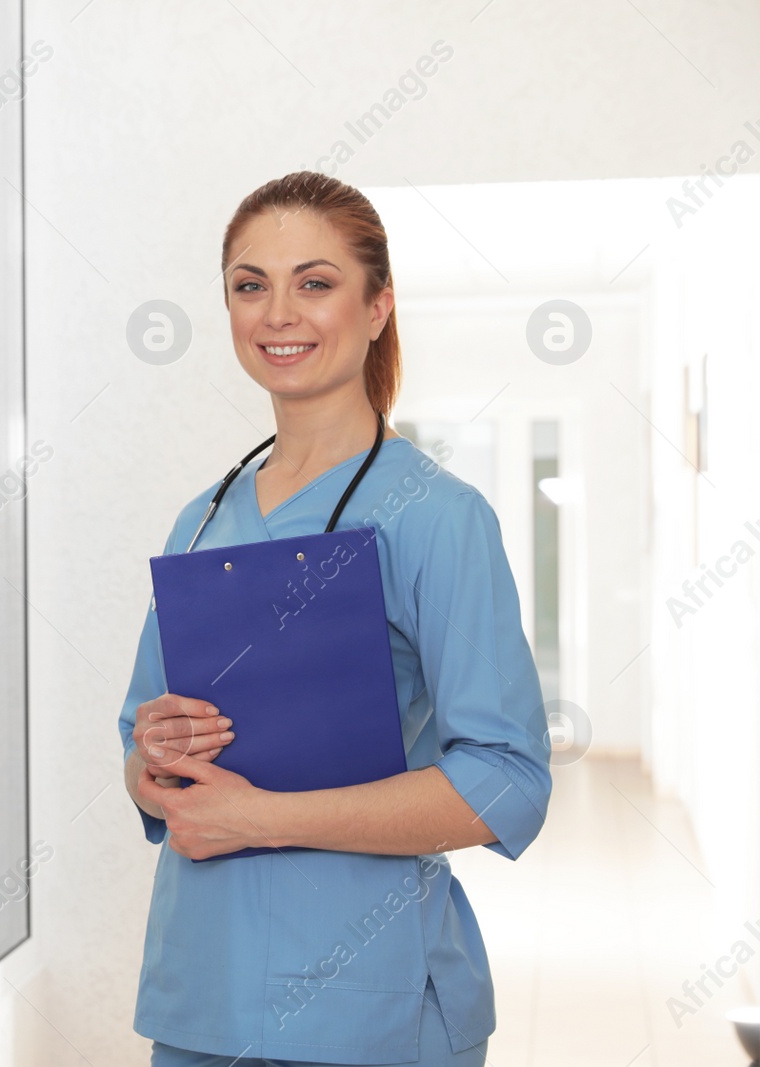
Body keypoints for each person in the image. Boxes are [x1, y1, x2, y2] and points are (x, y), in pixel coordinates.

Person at [117, 171, 552, 1067]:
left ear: (378, 304)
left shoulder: (435, 513)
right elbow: (140, 757)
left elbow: (507, 779)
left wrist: (261, 817)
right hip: (202, 999)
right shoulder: (203, 519)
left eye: (314, 282)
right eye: (250, 285)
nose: (279, 313)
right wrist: (150, 758)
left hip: (369, 1008)